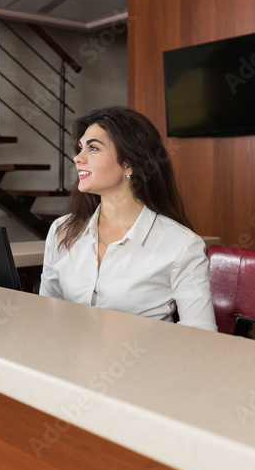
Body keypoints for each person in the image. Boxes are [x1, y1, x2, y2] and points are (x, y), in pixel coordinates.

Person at [39, 107, 217, 330]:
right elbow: (47, 312)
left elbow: (201, 337)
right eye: (80, 148)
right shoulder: (61, 230)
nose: (78, 158)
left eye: (93, 148)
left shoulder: (182, 245)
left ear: (129, 163)